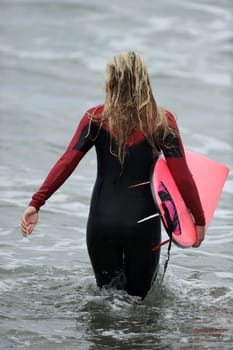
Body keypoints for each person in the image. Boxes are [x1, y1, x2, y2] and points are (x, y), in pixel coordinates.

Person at [21, 51, 205, 299]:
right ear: (144, 80)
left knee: (107, 303)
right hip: (143, 226)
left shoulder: (95, 118)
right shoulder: (162, 121)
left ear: (111, 81)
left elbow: (66, 162)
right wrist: (199, 219)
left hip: (101, 224)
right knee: (139, 307)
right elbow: (182, 176)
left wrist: (36, 203)